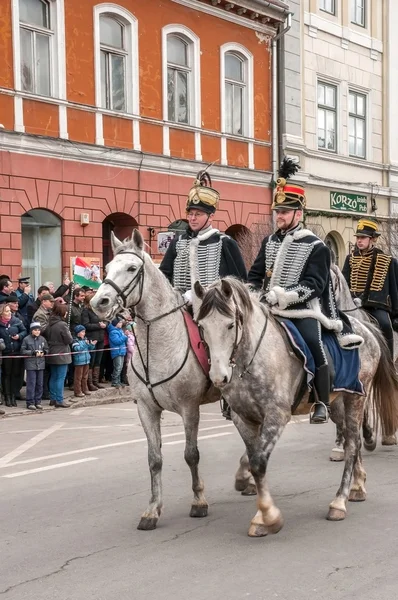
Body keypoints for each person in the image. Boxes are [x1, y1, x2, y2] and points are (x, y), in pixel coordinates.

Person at [248, 158, 362, 424]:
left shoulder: (316, 245)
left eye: (285, 212)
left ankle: (321, 401)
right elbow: (254, 276)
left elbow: (315, 285)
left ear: (299, 214)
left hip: (303, 311)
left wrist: (285, 296)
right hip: (268, 308)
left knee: (315, 344)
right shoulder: (269, 241)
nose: (280, 216)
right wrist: (252, 295)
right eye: (278, 211)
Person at [159, 169, 247, 297]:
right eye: (190, 214)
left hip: (215, 308)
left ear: (210, 217)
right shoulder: (177, 242)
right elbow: (163, 277)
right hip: (180, 305)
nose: (192, 218)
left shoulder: (225, 242)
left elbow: (240, 282)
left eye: (198, 214)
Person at [342, 219, 398, 358]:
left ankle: (388, 362)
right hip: (352, 304)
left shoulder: (386, 260)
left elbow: (393, 289)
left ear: (373, 239)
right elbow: (344, 282)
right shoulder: (350, 258)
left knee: (385, 325)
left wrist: (396, 312)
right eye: (358, 237)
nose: (359, 241)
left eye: (363, 237)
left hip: (375, 305)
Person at [46, 302, 73, 408]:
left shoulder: (49, 323)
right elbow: (68, 339)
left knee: (53, 376)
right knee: (60, 377)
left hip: (52, 351)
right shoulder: (62, 324)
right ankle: (59, 399)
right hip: (62, 352)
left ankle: (53, 398)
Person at [0, 303, 27, 407]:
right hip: (5, 352)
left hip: (16, 351)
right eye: (7, 311)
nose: (9, 313)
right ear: (1, 313)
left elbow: (24, 330)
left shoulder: (16, 321)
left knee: (15, 374)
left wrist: (19, 336)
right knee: (7, 374)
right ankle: (7, 396)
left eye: (9, 311)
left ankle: (13, 395)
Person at [81, 291, 107, 391]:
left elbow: (105, 320)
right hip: (92, 337)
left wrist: (105, 324)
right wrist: (98, 325)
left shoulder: (99, 311)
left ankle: (96, 381)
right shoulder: (86, 311)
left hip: (100, 337)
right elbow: (85, 325)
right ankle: (89, 382)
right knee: (91, 361)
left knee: (98, 361)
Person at [21, 322, 48, 410]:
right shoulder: (26, 339)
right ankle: (30, 402)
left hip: (40, 364)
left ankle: (38, 401)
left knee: (39, 384)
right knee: (31, 383)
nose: (37, 332)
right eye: (35, 330)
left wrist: (44, 352)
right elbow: (23, 351)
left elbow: (47, 349)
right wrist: (32, 353)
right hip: (31, 364)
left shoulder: (42, 339)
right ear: (31, 331)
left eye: (38, 330)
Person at [71, 325, 97, 398]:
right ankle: (78, 391)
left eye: (84, 331)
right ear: (78, 333)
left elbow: (89, 349)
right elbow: (77, 349)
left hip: (86, 360)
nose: (84, 333)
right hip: (79, 361)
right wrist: (85, 344)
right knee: (78, 377)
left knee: (85, 376)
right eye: (82, 332)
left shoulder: (85, 339)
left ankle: (85, 389)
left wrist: (92, 345)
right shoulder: (75, 340)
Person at [107, 317, 127, 388]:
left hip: (121, 351)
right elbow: (117, 341)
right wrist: (125, 336)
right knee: (117, 367)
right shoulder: (113, 332)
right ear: (116, 323)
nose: (121, 324)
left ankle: (118, 381)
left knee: (120, 367)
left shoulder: (120, 330)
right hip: (116, 352)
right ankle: (114, 382)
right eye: (120, 322)